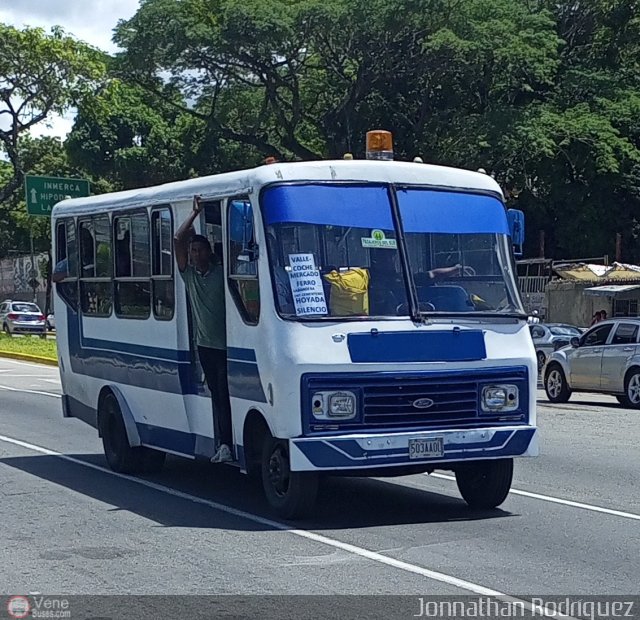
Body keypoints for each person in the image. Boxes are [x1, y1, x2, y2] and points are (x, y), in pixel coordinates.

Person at [174, 197, 232, 464]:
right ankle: (224, 445)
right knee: (219, 395)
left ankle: (228, 443)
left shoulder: (222, 273)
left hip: (228, 345)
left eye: (200, 250)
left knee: (228, 395)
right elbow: (177, 239)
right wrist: (195, 214)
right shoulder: (190, 276)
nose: (195, 255)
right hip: (206, 346)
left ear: (209, 252)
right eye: (193, 251)